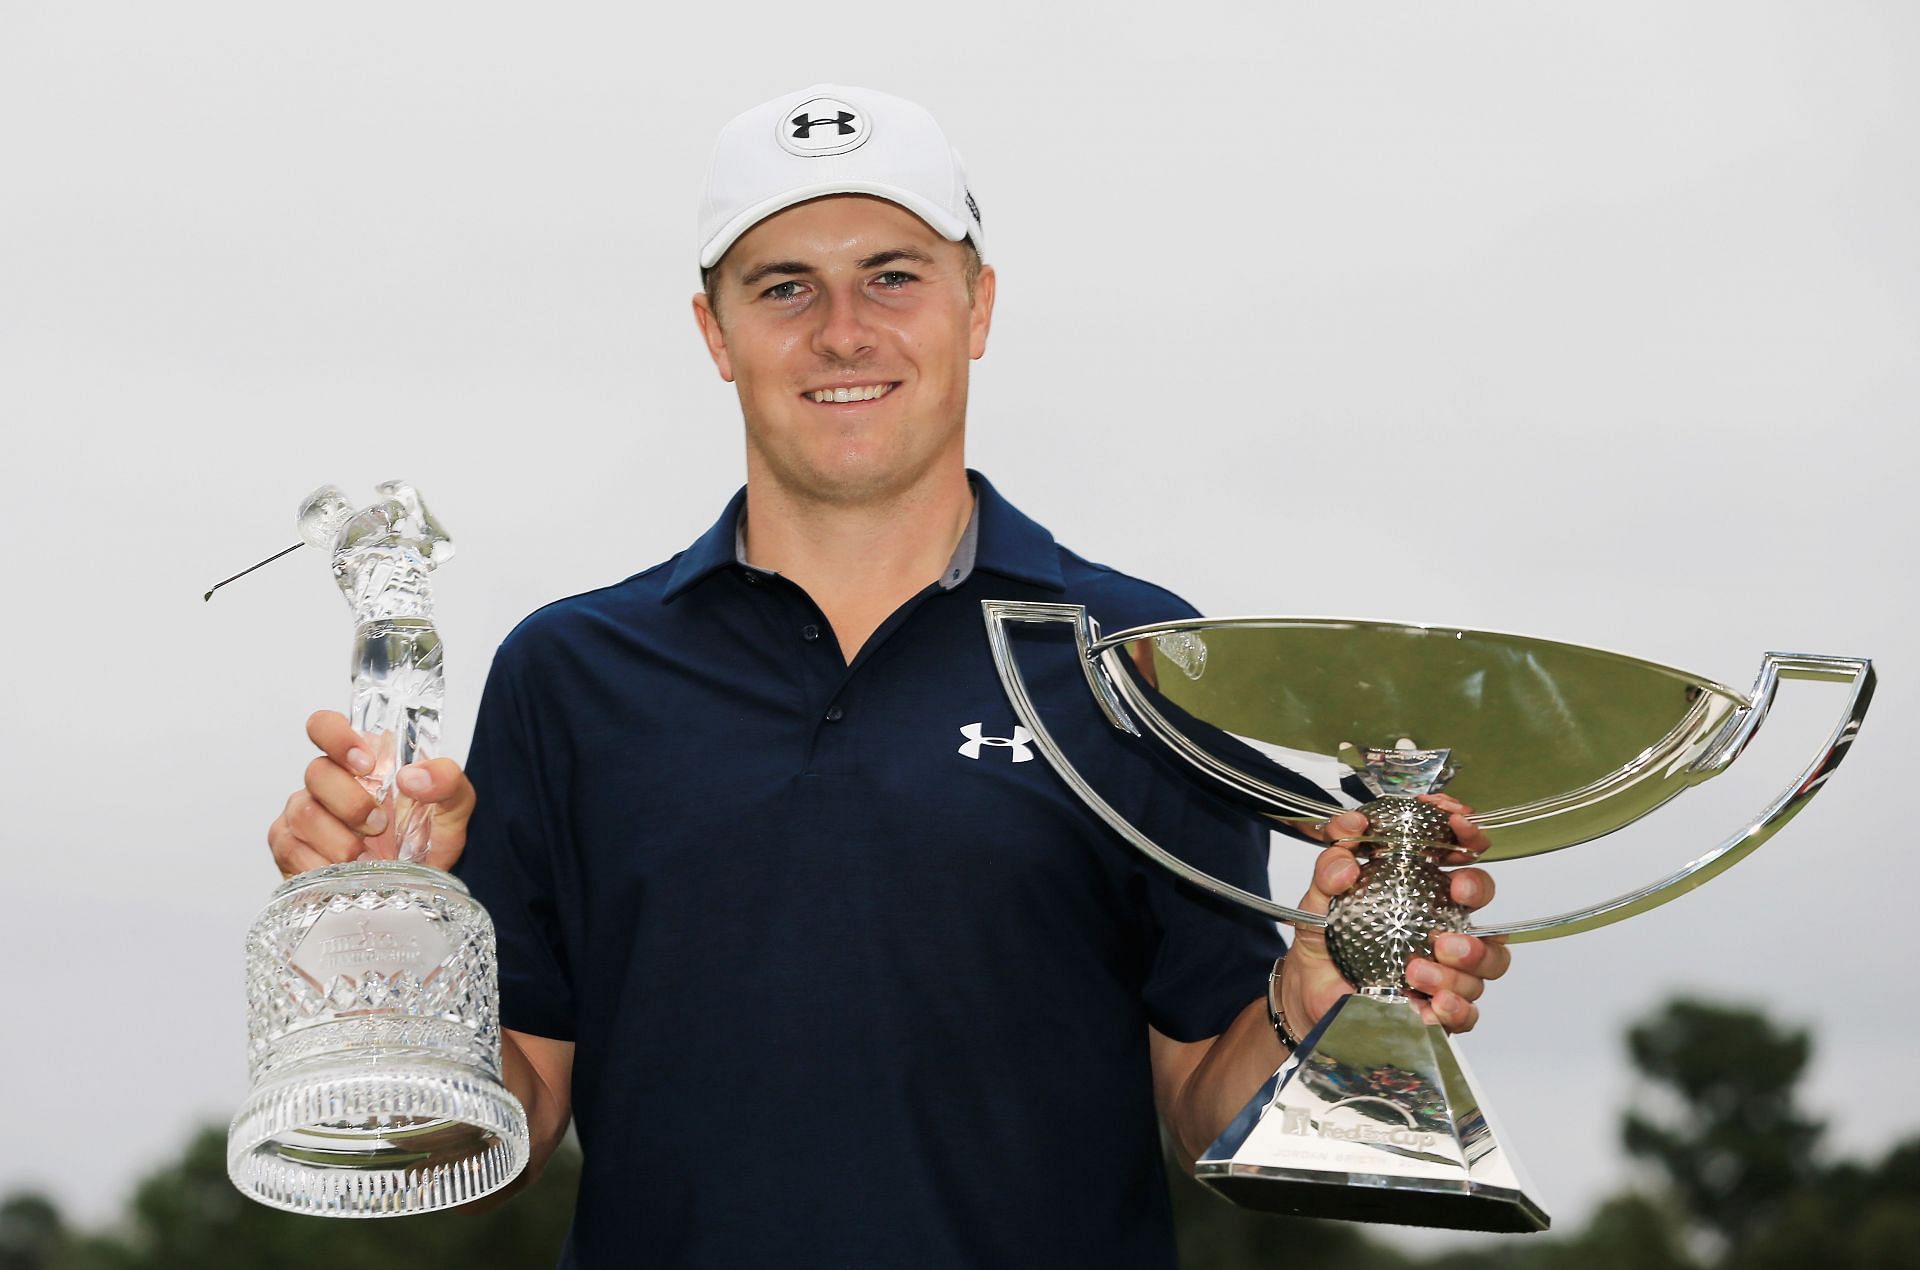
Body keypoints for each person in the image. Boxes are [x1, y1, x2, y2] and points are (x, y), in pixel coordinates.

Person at [266, 84, 1510, 1268]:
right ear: (716, 331)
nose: (843, 330)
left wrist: (1307, 1004)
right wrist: (390, 956)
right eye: (785, 286)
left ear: (977, 305)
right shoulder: (571, 671)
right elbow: (514, 1123)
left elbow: (1204, 1100)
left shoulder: (1137, 659)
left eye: (894, 276)